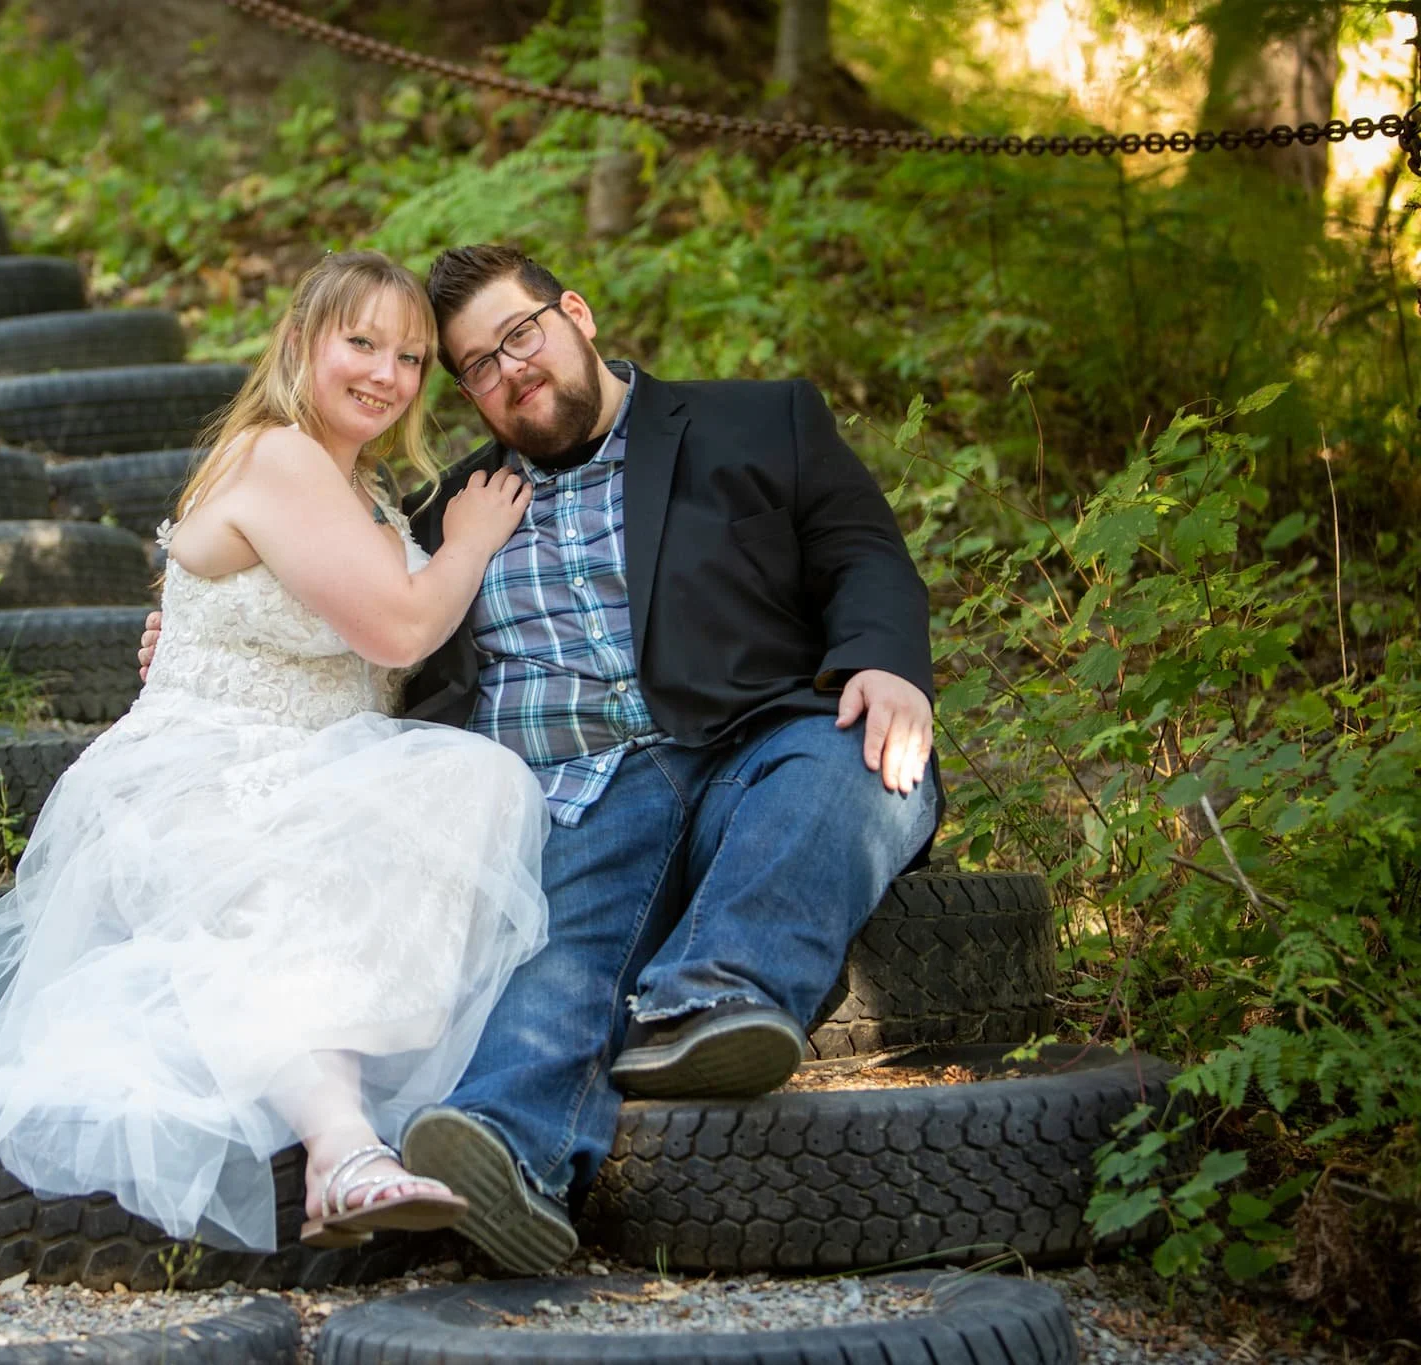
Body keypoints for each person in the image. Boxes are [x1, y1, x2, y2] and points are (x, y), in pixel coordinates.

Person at [138, 244, 940, 1274]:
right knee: (559, 955)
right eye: (474, 364)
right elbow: (323, 597)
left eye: (521, 335)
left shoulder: (755, 419)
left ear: (575, 314)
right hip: (575, 787)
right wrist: (183, 638)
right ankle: (505, 1162)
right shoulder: (448, 508)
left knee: (859, 764)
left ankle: (716, 996)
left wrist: (885, 663)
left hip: (754, 742)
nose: (507, 368)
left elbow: (858, 547)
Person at [0, 250, 551, 1254]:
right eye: (362, 342)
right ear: (298, 342)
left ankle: (344, 1153)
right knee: (434, 805)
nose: (387, 373)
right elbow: (397, 633)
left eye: (413, 358)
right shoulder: (284, 455)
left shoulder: (363, 489)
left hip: (305, 766)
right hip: (203, 776)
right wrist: (466, 542)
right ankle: (341, 1149)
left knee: (393, 843)